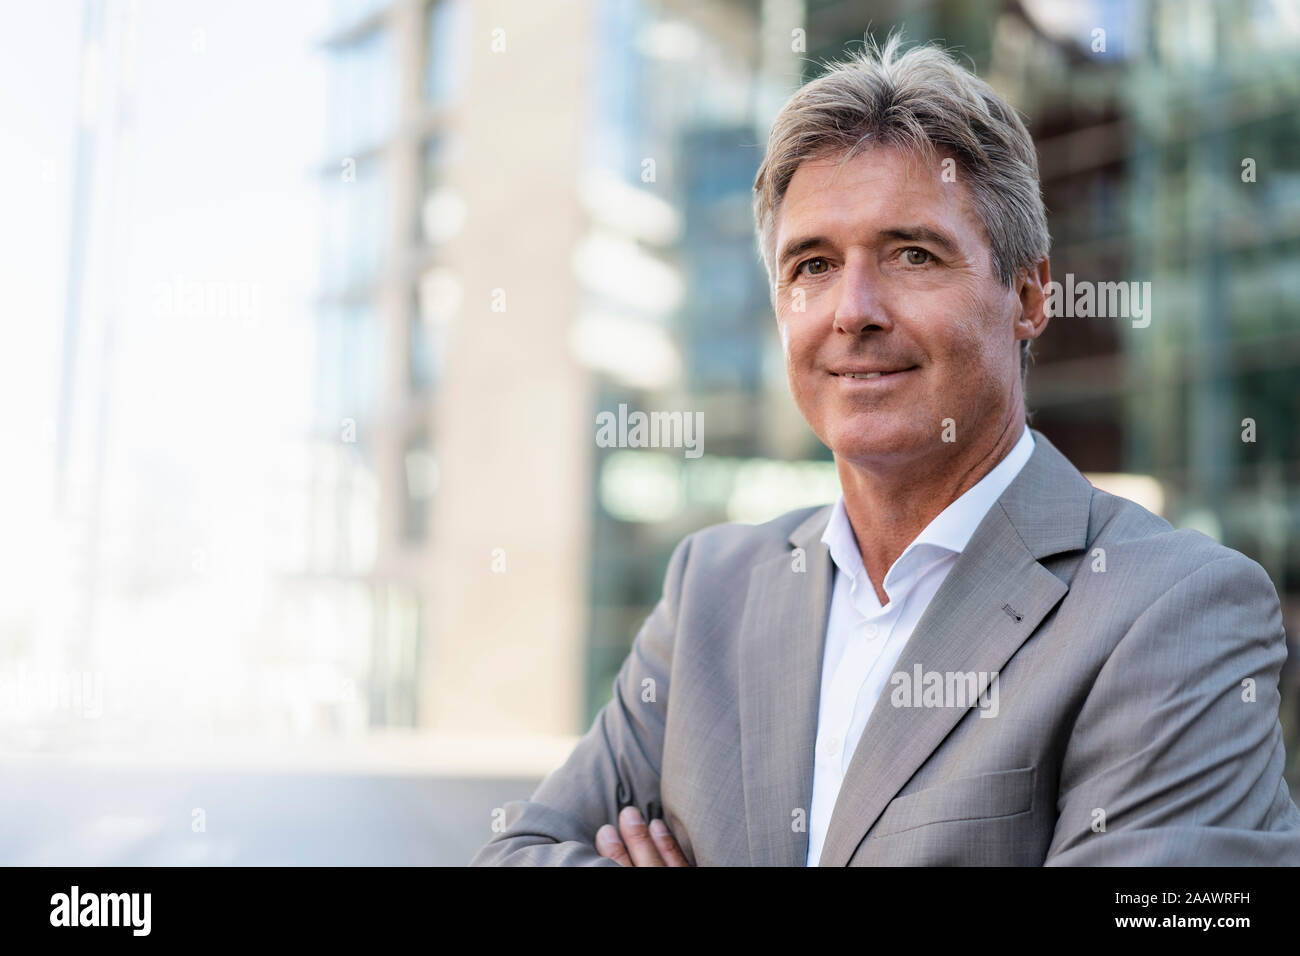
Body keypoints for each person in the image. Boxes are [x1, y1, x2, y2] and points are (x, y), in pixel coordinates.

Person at [470, 35, 1300, 866]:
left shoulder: (1175, 609)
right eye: (815, 264)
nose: (853, 310)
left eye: (912, 254)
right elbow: (519, 852)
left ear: (1028, 295)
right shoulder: (711, 593)